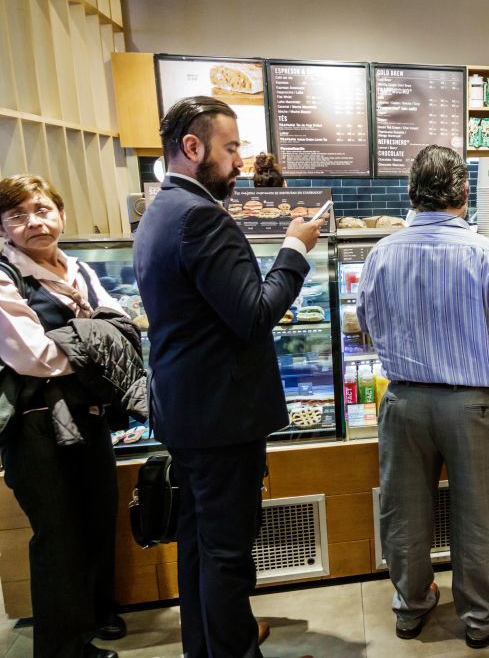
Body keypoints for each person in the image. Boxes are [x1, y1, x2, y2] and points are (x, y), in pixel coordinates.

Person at [133, 96, 322, 657]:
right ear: (193, 148)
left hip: (186, 413)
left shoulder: (160, 210)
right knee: (227, 556)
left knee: (198, 546)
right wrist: (294, 249)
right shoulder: (200, 217)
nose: (241, 161)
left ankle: (212, 644)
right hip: (221, 420)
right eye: (232, 147)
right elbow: (254, 314)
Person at [356, 145, 489, 649]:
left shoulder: (380, 253)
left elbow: (365, 327)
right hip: (470, 404)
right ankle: (481, 617)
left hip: (403, 403)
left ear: (411, 194)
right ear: (463, 195)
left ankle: (411, 608)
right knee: (476, 514)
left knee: (405, 511)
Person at [0, 175, 131, 658]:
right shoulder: (4, 274)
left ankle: (96, 615)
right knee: (56, 536)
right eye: (17, 216)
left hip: (88, 415)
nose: (33, 222)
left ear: (60, 214)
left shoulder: (77, 268)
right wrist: (95, 342)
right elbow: (33, 356)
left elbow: (120, 324)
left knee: (97, 518)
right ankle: (63, 649)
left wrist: (88, 339)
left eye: (41, 209)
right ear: (2, 228)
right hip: (34, 426)